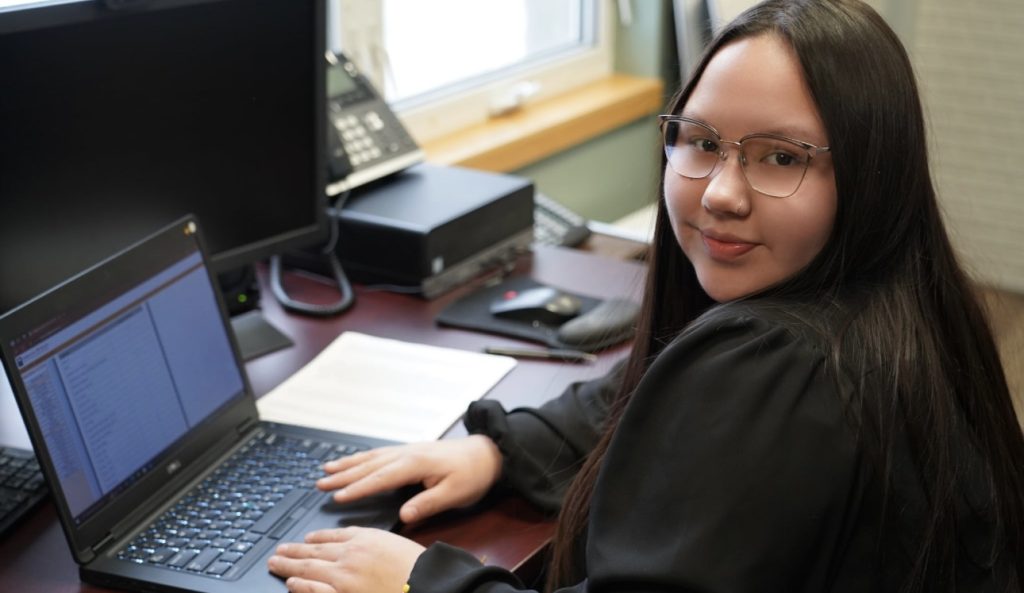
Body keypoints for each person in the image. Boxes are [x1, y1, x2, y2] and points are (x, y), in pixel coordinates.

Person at [267, 0, 1024, 591]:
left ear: (869, 175)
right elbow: (632, 394)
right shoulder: (903, 306)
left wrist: (414, 580)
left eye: (782, 157)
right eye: (700, 141)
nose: (721, 193)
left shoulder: (774, 363)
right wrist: (498, 448)